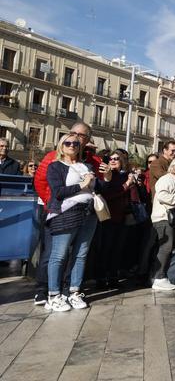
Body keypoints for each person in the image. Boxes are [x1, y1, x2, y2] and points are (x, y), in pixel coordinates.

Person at [32, 121, 99, 305]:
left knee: (77, 253)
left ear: (86, 140)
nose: (75, 139)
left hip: (85, 213)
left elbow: (97, 186)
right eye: (72, 135)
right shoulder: (52, 158)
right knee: (53, 253)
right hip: (57, 210)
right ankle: (43, 290)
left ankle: (69, 289)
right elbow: (40, 182)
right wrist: (54, 204)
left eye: (80, 137)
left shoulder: (89, 162)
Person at [44, 133, 112, 311]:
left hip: (89, 213)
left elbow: (97, 189)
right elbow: (58, 192)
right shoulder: (55, 167)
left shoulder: (86, 166)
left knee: (81, 254)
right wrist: (82, 185)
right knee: (59, 255)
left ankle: (73, 292)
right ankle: (53, 294)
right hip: (66, 213)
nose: (72, 145)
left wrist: (107, 178)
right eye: (68, 143)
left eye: (75, 143)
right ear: (61, 146)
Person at [151, 157, 175, 291]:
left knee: (167, 248)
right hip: (163, 218)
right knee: (165, 248)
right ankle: (159, 278)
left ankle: (161, 276)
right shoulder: (166, 179)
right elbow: (162, 195)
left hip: (171, 219)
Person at [96, 150, 134, 288]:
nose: (113, 160)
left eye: (116, 159)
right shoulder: (107, 176)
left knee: (117, 249)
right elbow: (109, 194)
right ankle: (101, 277)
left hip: (122, 216)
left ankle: (113, 276)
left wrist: (133, 183)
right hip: (107, 216)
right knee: (105, 248)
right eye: (110, 159)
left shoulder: (125, 176)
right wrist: (126, 185)